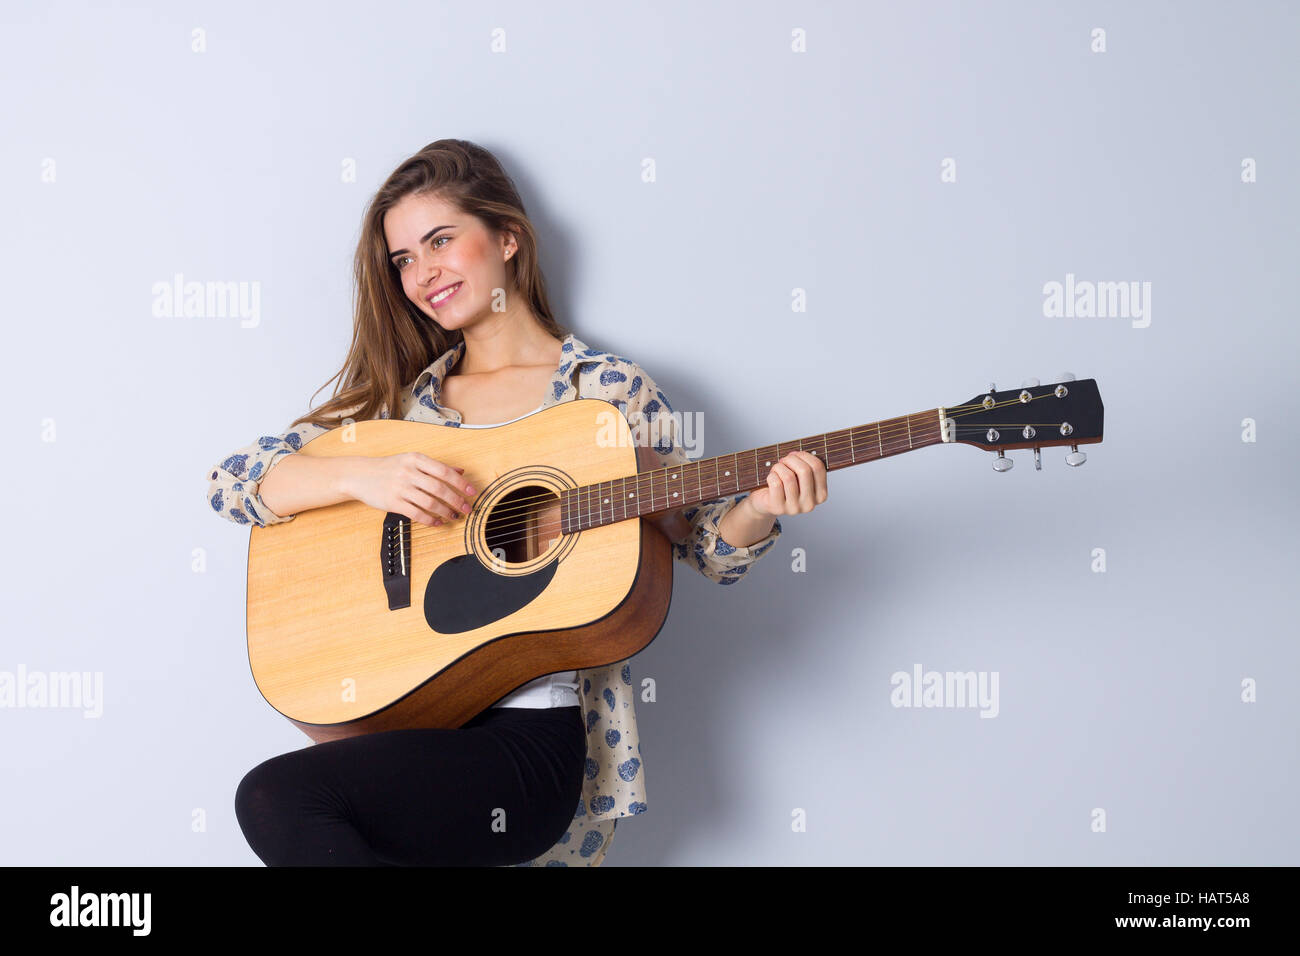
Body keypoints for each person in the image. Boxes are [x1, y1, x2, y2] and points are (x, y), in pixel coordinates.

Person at [207, 139, 828, 866]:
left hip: (531, 742)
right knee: (276, 801)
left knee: (279, 798)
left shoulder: (607, 395)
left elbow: (709, 551)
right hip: (416, 718)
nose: (421, 273)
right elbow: (233, 482)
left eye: (440, 240)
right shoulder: (403, 406)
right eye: (403, 258)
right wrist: (359, 477)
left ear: (508, 237)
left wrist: (764, 505)